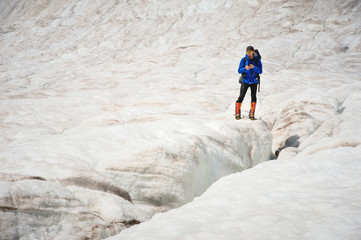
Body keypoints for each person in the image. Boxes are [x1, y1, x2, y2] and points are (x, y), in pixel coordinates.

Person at [235, 46, 263, 120]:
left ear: (253, 51)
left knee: (253, 97)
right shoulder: (244, 60)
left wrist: (254, 67)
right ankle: (237, 113)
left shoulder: (257, 60)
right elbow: (239, 70)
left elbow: (260, 71)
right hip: (245, 80)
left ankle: (252, 114)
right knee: (241, 96)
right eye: (247, 52)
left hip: (254, 81)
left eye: (250, 52)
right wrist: (245, 68)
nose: (249, 54)